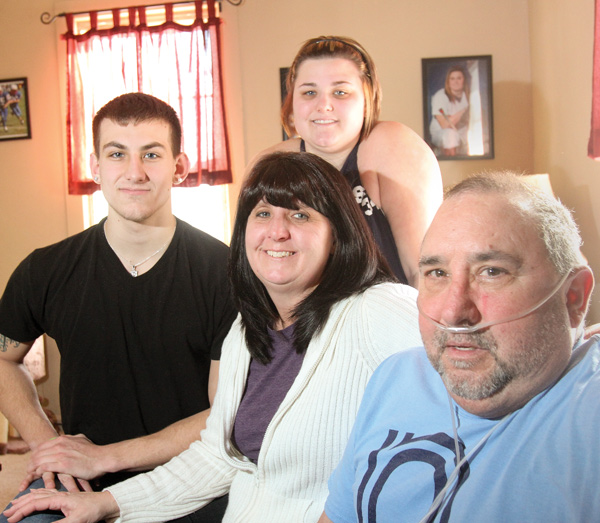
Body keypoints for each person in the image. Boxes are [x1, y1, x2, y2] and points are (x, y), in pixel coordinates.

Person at [3, 151, 423, 523]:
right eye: (262, 214)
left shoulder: (377, 309)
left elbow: (461, 430)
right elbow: (219, 457)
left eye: (300, 215)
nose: (277, 231)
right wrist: (109, 503)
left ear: (338, 235)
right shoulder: (246, 332)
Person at [0, 93, 237, 522]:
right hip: (80, 478)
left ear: (179, 167)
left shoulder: (225, 273)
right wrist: (45, 444)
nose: (134, 172)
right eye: (117, 154)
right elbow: (3, 359)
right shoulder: (45, 269)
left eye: (151, 154)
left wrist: (106, 457)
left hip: (191, 478)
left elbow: (224, 413)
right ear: (95, 167)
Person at [320, 172, 599, 522]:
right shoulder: (396, 377)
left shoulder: (587, 415)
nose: (453, 311)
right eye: (437, 273)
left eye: (492, 271)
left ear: (573, 297)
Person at [251, 36, 443, 287]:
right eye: (309, 92)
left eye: (340, 92)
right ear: (291, 104)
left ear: (367, 101)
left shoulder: (392, 145)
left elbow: (425, 270)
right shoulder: (268, 164)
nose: (324, 105)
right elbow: (251, 270)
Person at [429, 65, 470, 156]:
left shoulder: (468, 96)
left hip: (461, 132)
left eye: (459, 78)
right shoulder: (440, 96)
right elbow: (444, 124)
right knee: (450, 134)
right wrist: (464, 110)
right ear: (448, 81)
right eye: (452, 79)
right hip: (441, 133)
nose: (455, 82)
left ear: (464, 80)